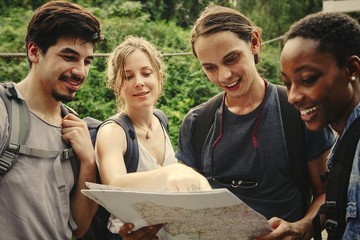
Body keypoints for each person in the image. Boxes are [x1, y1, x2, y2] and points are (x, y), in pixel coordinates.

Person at [173, 5, 337, 240]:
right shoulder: (197, 121)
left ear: (254, 42)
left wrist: (301, 227)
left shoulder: (298, 111)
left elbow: (327, 193)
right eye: (210, 68)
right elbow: (185, 201)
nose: (224, 76)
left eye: (231, 59)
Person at [0, 1, 102, 239]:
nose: (80, 71)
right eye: (69, 57)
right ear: (34, 52)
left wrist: (88, 162)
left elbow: (78, 227)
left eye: (87, 61)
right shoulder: (4, 111)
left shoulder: (74, 127)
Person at [95, 36, 211, 240]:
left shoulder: (160, 119)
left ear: (159, 77)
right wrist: (172, 171)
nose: (139, 82)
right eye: (128, 76)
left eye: (146, 73)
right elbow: (113, 184)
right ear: (116, 85)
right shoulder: (113, 132)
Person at [280, 12, 360, 239]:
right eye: (287, 84)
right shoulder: (345, 138)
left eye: (307, 79)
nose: (292, 97)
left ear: (351, 70)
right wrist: (301, 227)